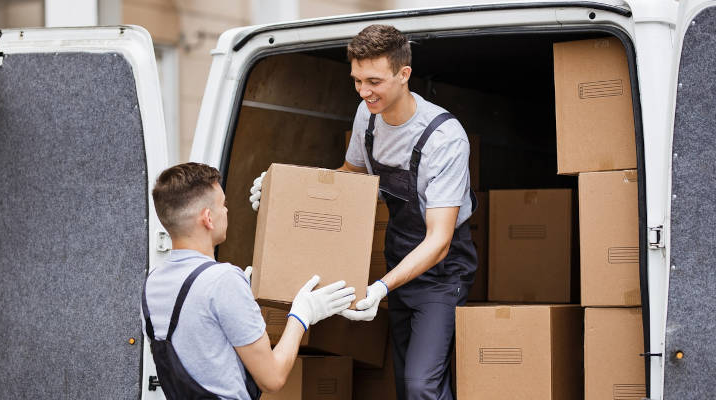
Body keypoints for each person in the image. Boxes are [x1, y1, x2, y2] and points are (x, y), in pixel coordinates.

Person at [249, 24, 477, 400]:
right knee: (406, 383)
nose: (363, 91)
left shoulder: (444, 138)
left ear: (404, 74)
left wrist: (380, 287)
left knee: (422, 386)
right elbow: (349, 176)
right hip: (398, 255)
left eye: (373, 81)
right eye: (357, 81)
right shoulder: (366, 115)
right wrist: (281, 192)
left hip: (442, 270)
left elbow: (439, 240)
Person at [143, 162, 355, 400]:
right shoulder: (223, 281)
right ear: (208, 219)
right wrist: (302, 316)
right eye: (222, 205)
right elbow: (272, 378)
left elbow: (202, 352)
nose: (226, 210)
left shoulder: (152, 285)